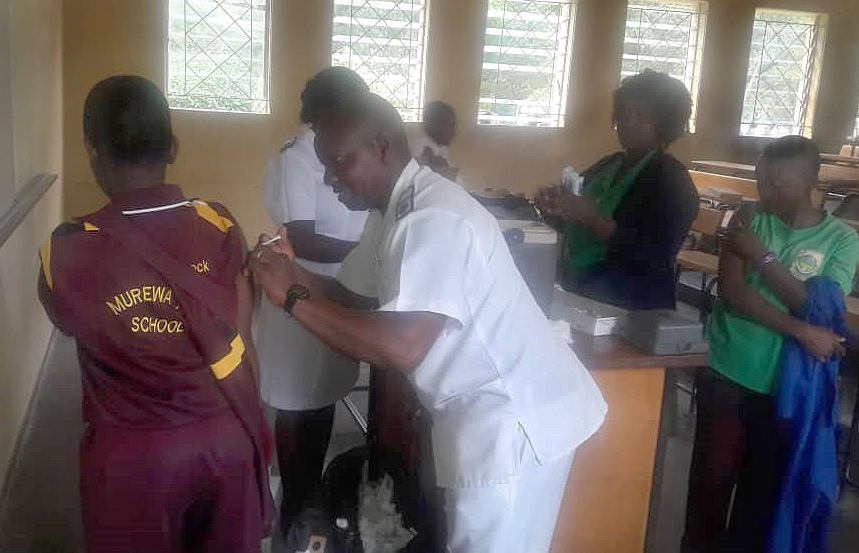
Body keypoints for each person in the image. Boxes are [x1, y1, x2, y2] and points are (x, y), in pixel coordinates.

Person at [247, 92, 608, 553]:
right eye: (324, 166)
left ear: (382, 146)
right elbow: (355, 297)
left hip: (513, 421)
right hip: (483, 413)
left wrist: (292, 297)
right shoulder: (393, 209)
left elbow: (402, 346)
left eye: (339, 161)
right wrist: (289, 271)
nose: (330, 177)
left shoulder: (431, 216)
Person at [37, 75, 273, 552]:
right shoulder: (219, 224)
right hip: (225, 439)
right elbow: (242, 343)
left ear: (92, 151)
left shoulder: (63, 251)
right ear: (173, 147)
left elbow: (67, 320)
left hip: (130, 460)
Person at [682, 136, 859, 553]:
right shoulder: (748, 216)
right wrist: (800, 330)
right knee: (709, 486)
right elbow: (732, 291)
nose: (767, 192)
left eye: (779, 183)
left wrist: (762, 259)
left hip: (787, 388)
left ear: (811, 181)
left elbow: (816, 308)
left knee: (760, 498)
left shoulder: (842, 239)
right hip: (729, 368)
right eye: (762, 181)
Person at [258, 66, 369, 539]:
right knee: (297, 404)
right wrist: (371, 254)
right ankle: (296, 505)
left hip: (338, 293)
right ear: (331, 112)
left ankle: (309, 491)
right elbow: (299, 238)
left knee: (322, 396)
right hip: (298, 291)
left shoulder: (344, 152)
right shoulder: (296, 159)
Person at [536, 69, 698, 310]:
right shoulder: (609, 164)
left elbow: (654, 256)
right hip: (582, 288)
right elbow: (573, 221)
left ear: (664, 122)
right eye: (624, 112)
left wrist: (593, 219)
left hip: (632, 303)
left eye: (641, 115)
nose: (628, 122)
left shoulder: (673, 181)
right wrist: (553, 209)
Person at [410, 100, 459, 181]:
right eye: (450, 125)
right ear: (435, 125)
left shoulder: (440, 148)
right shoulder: (422, 148)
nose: (454, 132)